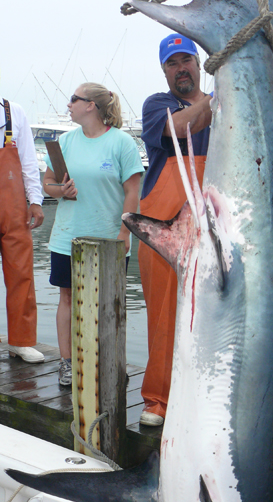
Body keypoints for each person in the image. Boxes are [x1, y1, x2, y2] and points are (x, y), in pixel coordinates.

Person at [43, 83, 144, 386]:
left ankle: (110, 362)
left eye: (74, 99)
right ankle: (67, 363)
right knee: (67, 298)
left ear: (91, 106)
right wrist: (60, 190)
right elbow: (48, 183)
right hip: (66, 238)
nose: (69, 103)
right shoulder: (64, 142)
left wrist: (125, 233)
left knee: (108, 305)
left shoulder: (121, 143)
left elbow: (133, 190)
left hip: (110, 240)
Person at [138, 33, 212, 426]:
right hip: (163, 223)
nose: (181, 68)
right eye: (172, 63)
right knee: (165, 314)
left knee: (216, 313)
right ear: (164, 70)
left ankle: (204, 398)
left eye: (187, 60)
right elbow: (178, 127)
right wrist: (217, 100)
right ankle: (158, 400)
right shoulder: (158, 105)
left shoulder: (224, 105)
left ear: (198, 64)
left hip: (213, 221)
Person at [0, 97, 44, 363]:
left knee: (21, 272)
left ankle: (21, 341)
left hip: (14, 207)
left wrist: (36, 201)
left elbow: (28, 160)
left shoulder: (13, 111)